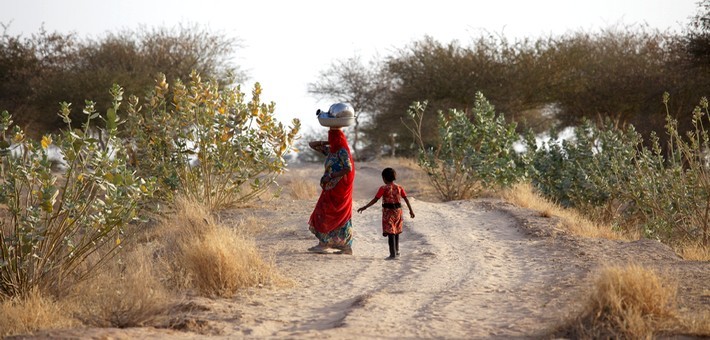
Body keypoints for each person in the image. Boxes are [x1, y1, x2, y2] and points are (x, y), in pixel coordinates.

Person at [307, 127, 355, 255]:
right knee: (323, 212)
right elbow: (311, 145)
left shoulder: (342, 152)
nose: (330, 139)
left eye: (332, 136)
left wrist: (332, 176)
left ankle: (343, 246)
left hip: (338, 189)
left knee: (332, 214)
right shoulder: (331, 151)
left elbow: (348, 168)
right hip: (329, 188)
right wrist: (329, 142)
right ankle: (324, 243)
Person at [357, 167, 415, 259]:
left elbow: (375, 200)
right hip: (398, 211)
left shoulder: (383, 188)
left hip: (388, 212)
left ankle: (392, 254)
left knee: (391, 232)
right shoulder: (399, 187)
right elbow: (406, 199)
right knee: (396, 231)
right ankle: (397, 251)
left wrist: (365, 207)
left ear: (384, 178)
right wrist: (411, 211)